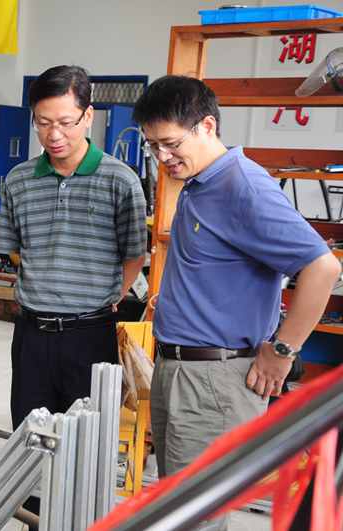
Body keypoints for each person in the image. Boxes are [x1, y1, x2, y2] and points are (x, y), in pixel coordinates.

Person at [133, 75, 340, 530]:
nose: (163, 157)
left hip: (214, 382)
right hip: (182, 369)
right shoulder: (199, 182)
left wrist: (282, 350)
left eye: (171, 144)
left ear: (207, 126)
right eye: (154, 146)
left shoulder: (242, 187)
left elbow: (322, 268)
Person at [0, 64, 147, 522]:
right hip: (32, 334)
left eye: (65, 121)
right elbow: (14, 248)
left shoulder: (120, 180)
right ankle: (35, 522)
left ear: (88, 116)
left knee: (88, 445)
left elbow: (134, 254)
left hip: (91, 335)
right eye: (43, 122)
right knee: (31, 441)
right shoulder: (19, 179)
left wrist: (111, 295)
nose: (54, 134)